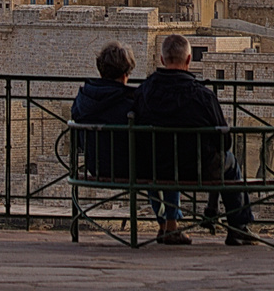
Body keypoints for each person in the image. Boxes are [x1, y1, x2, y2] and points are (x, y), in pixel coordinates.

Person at [133, 33, 254, 246]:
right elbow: (224, 141)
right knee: (231, 162)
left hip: (154, 166)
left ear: (161, 60)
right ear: (189, 60)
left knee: (161, 158)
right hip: (198, 168)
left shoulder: (144, 92)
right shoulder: (203, 96)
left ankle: (168, 225)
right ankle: (238, 227)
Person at [70, 42, 137, 180]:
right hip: (131, 169)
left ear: (101, 71)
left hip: (95, 167)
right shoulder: (132, 103)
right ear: (125, 75)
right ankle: (166, 203)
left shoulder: (83, 100)